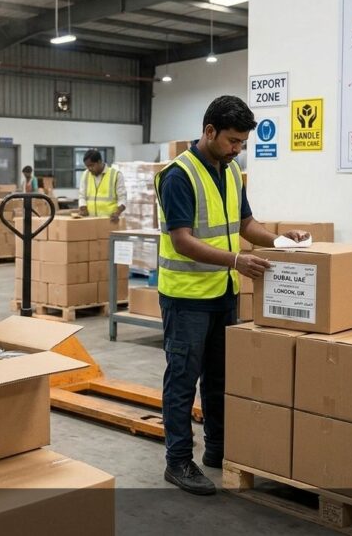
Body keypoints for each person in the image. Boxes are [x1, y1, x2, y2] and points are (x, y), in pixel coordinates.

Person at [155, 95, 308, 496]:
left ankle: (218, 451)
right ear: (209, 131)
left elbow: (245, 223)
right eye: (232, 141)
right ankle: (178, 461)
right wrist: (236, 261)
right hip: (186, 297)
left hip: (222, 294)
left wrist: (278, 239)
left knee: (221, 378)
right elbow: (183, 241)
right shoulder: (179, 175)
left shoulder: (230, 170)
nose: (238, 148)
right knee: (183, 380)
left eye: (242, 143)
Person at [78, 150, 126, 223]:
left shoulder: (116, 175)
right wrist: (83, 207)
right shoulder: (86, 174)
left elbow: (122, 198)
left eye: (92, 165)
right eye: (87, 166)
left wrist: (117, 213)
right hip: (90, 220)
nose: (90, 169)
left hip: (110, 220)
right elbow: (82, 195)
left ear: (99, 161)